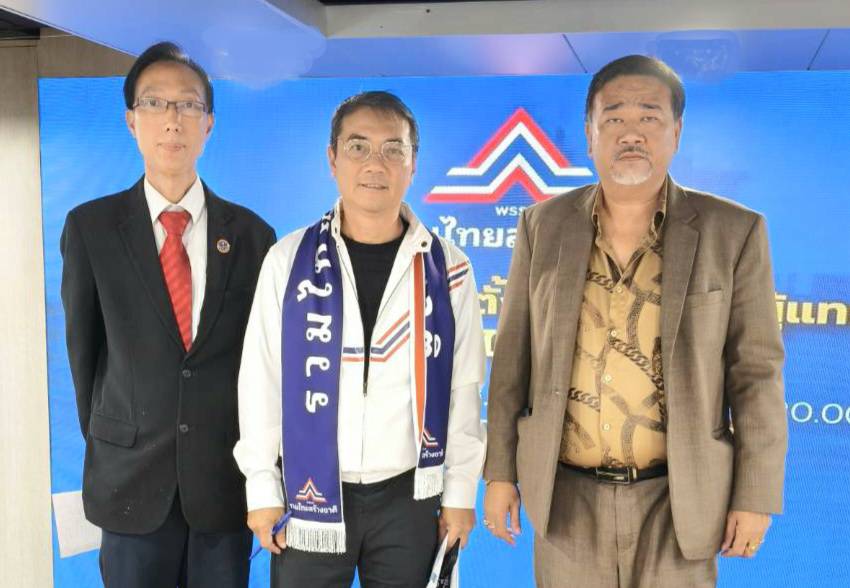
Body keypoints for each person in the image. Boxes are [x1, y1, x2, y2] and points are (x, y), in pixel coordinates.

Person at [482, 55, 787, 587]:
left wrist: (755, 495)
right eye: (614, 117)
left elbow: (756, 375)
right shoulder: (542, 225)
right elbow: (513, 360)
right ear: (590, 133)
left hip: (680, 500)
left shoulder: (734, 232)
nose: (631, 133)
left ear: (677, 131)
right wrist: (500, 472)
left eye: (649, 116)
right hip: (566, 498)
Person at [234, 90, 487, 587]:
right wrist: (262, 487)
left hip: (409, 495)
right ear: (332, 159)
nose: (376, 163)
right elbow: (260, 380)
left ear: (413, 164)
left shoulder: (448, 268)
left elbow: (463, 388)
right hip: (309, 491)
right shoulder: (289, 261)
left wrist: (460, 493)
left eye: (393, 149)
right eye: (358, 147)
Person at [60, 41, 276, 587]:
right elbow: (85, 357)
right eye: (155, 103)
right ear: (131, 121)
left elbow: (262, 366)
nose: (172, 119)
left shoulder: (252, 236)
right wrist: (118, 441)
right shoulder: (91, 228)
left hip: (221, 482)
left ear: (209, 124)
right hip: (130, 481)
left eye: (188, 105)